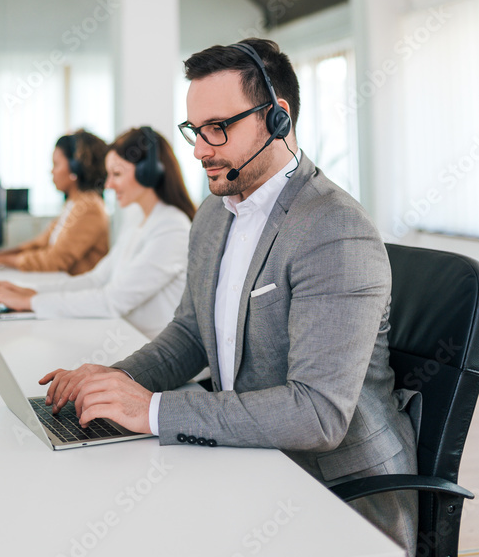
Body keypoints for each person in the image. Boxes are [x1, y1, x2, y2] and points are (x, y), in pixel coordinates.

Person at [39, 40, 420, 557]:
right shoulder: (215, 212)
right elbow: (191, 332)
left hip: (336, 496)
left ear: (278, 118)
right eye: (195, 130)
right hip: (251, 459)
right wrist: (117, 381)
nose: (200, 150)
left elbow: (318, 413)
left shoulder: (333, 230)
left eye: (219, 127)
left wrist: (153, 410)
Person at [0, 126, 195, 339]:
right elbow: (96, 279)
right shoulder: (139, 218)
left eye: (117, 174)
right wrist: (30, 292)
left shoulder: (171, 228)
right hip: (124, 337)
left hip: (147, 351)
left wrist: (30, 303)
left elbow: (113, 300)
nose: (108, 185)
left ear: (148, 173)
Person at [0, 129, 109, 274]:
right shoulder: (73, 204)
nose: (52, 171)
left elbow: (54, 261)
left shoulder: (89, 207)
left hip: (78, 290)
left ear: (74, 168)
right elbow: (40, 244)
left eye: (56, 164)